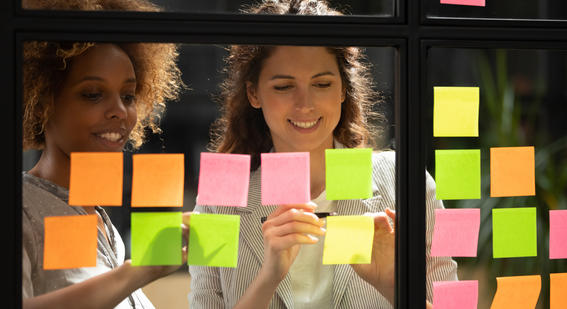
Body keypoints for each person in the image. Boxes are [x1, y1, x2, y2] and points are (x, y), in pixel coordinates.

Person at [188, 0, 458, 308]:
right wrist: (269, 277)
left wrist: (394, 287)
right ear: (253, 93)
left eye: (322, 84)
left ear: (343, 88)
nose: (305, 104)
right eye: (283, 87)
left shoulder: (406, 182)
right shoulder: (218, 197)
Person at [21, 1, 190, 308]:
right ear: (42, 100)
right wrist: (140, 269)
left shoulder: (101, 221)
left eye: (128, 96)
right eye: (93, 94)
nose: (120, 112)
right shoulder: (19, 207)